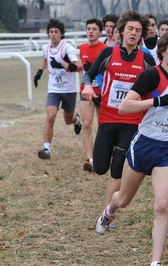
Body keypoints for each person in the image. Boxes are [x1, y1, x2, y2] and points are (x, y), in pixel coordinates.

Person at [95, 28, 168, 266]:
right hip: (144, 145)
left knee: (162, 205)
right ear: (163, 51)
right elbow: (125, 107)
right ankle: (109, 211)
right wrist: (157, 101)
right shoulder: (151, 76)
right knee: (123, 199)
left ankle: (155, 262)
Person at [82, 10, 156, 228]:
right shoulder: (108, 54)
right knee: (100, 168)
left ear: (141, 35)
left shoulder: (146, 59)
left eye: (138, 30)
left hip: (132, 123)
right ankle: (108, 208)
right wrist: (87, 85)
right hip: (107, 119)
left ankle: (107, 216)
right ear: (121, 31)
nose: (133, 33)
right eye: (130, 29)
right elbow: (89, 73)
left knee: (117, 169)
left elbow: (158, 83)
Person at [34, 18, 82, 160]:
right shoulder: (45, 48)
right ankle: (46, 148)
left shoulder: (67, 48)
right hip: (53, 89)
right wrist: (39, 71)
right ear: (48, 34)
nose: (53, 34)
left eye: (56, 32)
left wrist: (61, 66)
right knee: (50, 116)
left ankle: (77, 120)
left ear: (61, 34)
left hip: (68, 89)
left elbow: (78, 66)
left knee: (68, 120)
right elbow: (46, 59)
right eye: (51, 32)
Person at [78, 18, 107, 172]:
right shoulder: (82, 48)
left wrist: (95, 70)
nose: (90, 31)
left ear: (100, 32)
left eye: (94, 29)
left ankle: (102, 155)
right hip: (86, 90)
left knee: (103, 125)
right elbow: (81, 68)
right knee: (86, 124)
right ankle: (90, 159)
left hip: (102, 92)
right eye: (88, 28)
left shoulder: (105, 49)